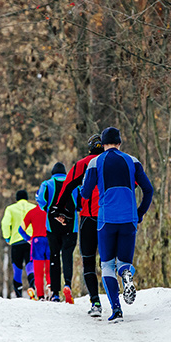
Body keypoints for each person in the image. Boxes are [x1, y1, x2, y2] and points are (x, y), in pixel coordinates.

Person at [81, 127, 153, 321]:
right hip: (129, 218)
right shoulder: (133, 161)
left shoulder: (96, 162)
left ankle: (117, 310)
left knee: (107, 265)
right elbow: (148, 189)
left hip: (106, 219)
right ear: (120, 143)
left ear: (103, 144)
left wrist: (84, 187)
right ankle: (127, 275)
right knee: (124, 263)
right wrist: (139, 212)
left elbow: (86, 194)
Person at [52, 134, 104, 316]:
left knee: (89, 261)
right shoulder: (116, 162)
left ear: (90, 148)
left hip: (89, 217)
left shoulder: (83, 164)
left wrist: (59, 210)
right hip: (110, 218)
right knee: (108, 262)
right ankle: (116, 300)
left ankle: (96, 302)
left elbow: (67, 186)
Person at [36, 162, 78, 303]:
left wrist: (53, 212)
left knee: (54, 257)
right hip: (71, 226)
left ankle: (55, 293)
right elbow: (79, 203)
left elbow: (41, 201)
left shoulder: (47, 184)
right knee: (67, 255)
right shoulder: (74, 183)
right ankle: (67, 285)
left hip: (52, 226)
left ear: (53, 173)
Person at [1, 190, 36, 298]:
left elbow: (5, 223)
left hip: (16, 242)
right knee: (30, 266)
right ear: (27, 197)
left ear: (16, 198)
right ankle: (32, 287)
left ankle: (18, 292)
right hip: (31, 241)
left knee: (17, 268)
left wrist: (7, 237)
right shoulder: (33, 207)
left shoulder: (10, 209)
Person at [19, 204, 51, 300]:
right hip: (50, 240)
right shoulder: (51, 211)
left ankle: (40, 295)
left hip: (37, 242)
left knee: (38, 271)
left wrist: (29, 239)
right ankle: (50, 287)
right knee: (49, 268)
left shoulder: (32, 212)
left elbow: (21, 230)